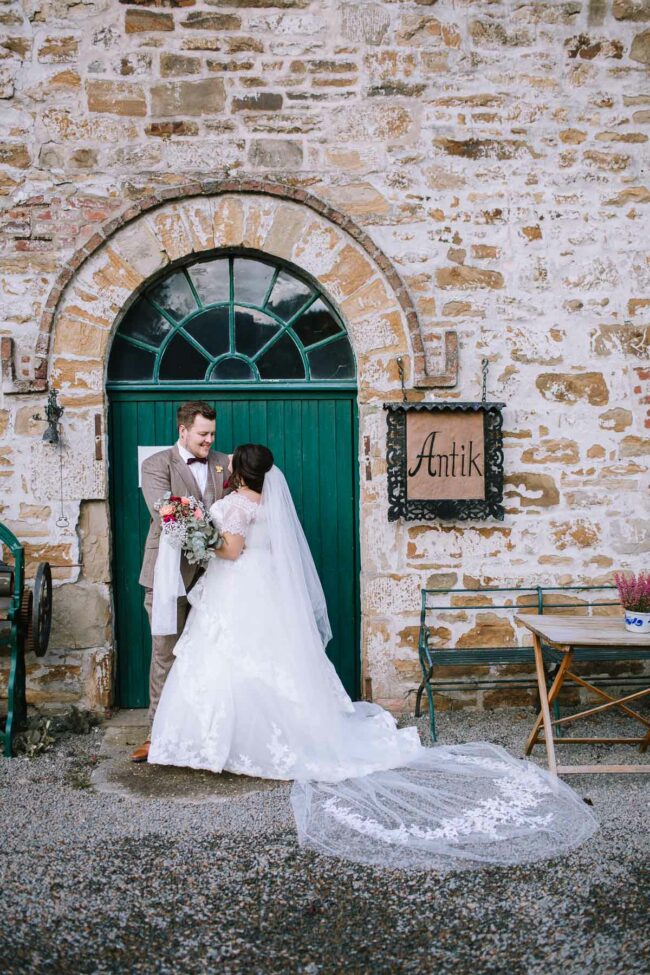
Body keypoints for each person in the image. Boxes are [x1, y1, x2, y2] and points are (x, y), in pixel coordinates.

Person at [148, 444, 598, 871]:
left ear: (240, 471)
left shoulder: (233, 507)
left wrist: (197, 536)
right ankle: (270, 735)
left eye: (231, 466)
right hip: (264, 592)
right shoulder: (270, 506)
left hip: (238, 591)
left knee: (231, 660)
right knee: (273, 663)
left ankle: (226, 743)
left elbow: (231, 550)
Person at [130, 401, 230, 764]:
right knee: (166, 655)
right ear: (183, 430)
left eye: (213, 434)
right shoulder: (155, 465)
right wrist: (217, 531)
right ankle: (157, 736)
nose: (209, 442)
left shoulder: (224, 461)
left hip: (217, 579)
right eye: (203, 435)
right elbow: (169, 513)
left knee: (213, 655)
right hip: (167, 577)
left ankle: (205, 734)